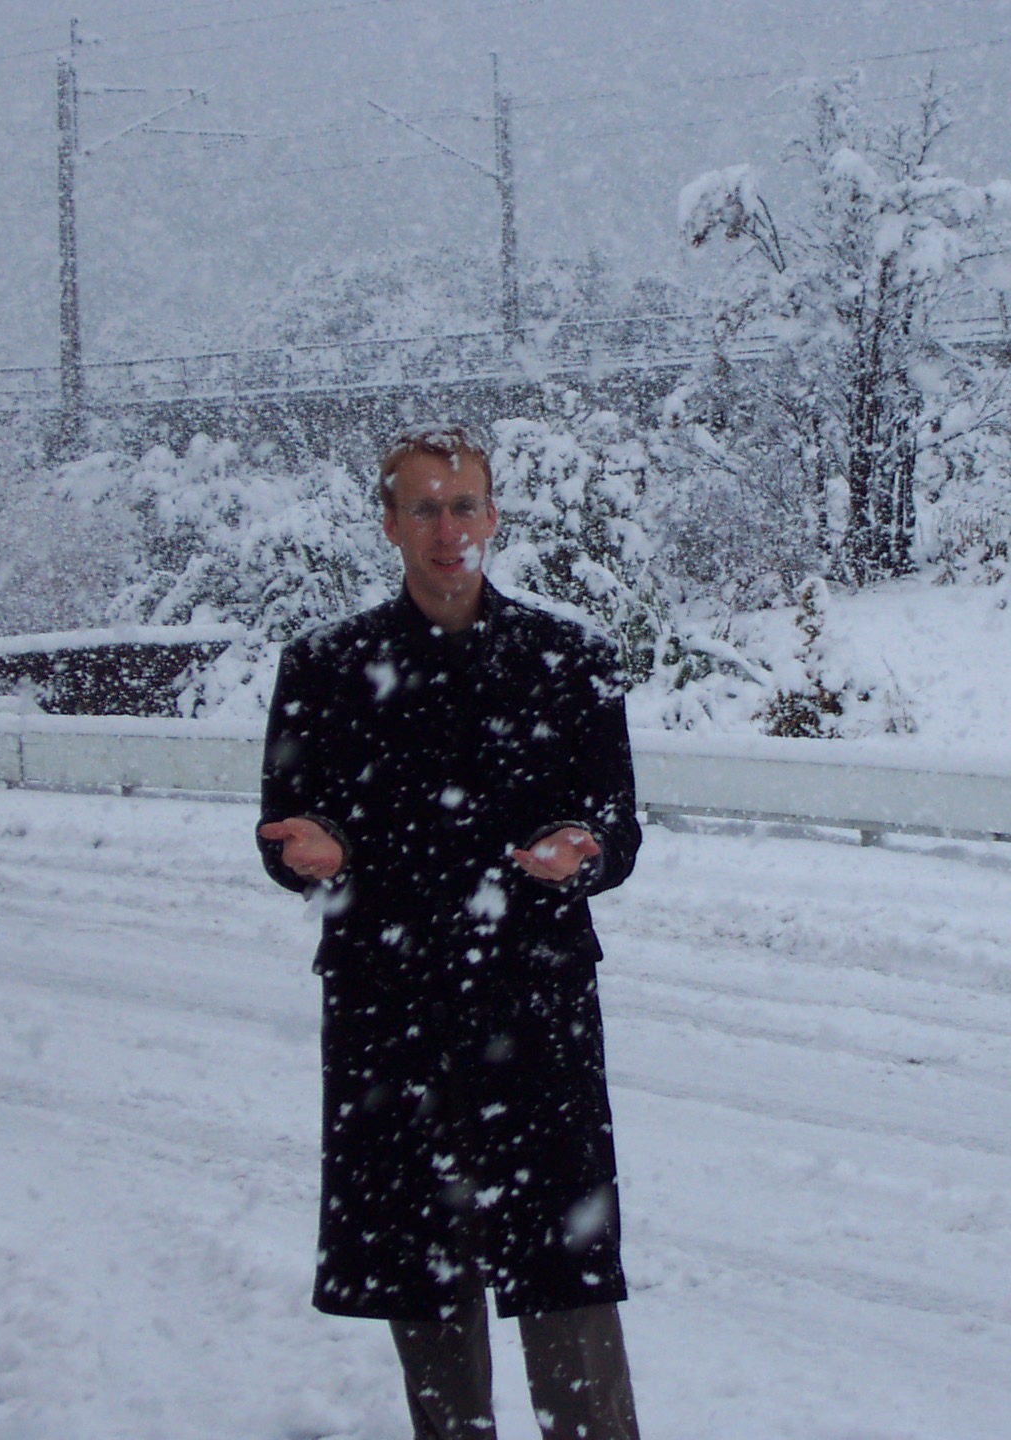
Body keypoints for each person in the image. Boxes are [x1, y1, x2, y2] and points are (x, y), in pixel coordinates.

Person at [255, 424, 644, 1440]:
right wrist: (318, 847)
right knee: (428, 1276)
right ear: (389, 524)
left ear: (494, 517)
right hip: (395, 1010)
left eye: (463, 504)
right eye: (423, 507)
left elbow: (616, 826)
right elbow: (291, 819)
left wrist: (584, 845)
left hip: (535, 1008)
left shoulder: (569, 661)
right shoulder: (328, 667)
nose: (446, 528)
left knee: (564, 1272)